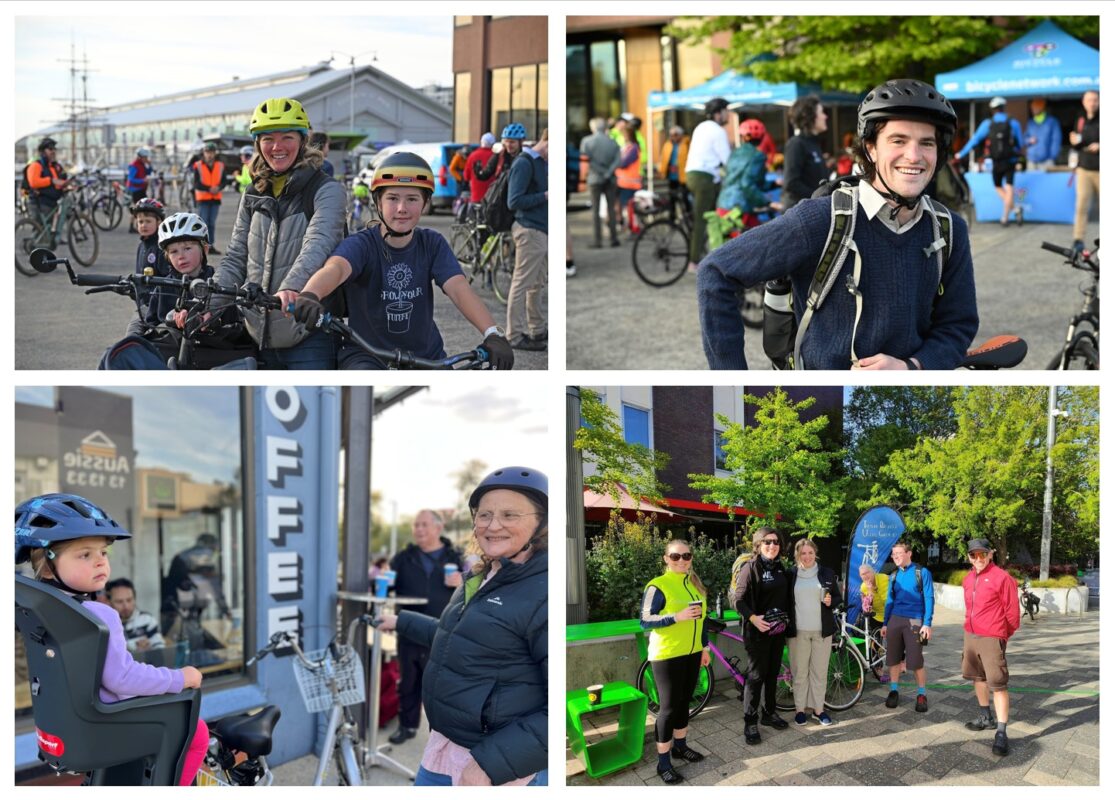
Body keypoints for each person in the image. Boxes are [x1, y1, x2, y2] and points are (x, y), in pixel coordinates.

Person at [699, 78, 978, 370]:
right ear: (871, 148)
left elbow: (957, 326)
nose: (914, 155)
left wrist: (912, 366)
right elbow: (716, 271)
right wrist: (735, 383)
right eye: (898, 140)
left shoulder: (948, 229)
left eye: (927, 143)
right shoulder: (820, 219)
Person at [15, 494, 207, 786]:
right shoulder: (99, 613)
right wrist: (179, 677)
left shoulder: (40, 610)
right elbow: (122, 678)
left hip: (68, 730)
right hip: (107, 725)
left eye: (103, 553)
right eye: (84, 554)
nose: (100, 562)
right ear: (46, 560)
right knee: (197, 732)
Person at [375, 467, 548, 786]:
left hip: (493, 769)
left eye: (509, 515)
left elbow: (557, 708)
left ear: (541, 523)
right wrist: (401, 621)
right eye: (484, 515)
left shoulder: (542, 591)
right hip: (445, 748)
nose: (493, 525)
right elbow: (457, 636)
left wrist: (491, 764)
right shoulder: (481, 577)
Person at [289, 151, 514, 370]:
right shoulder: (362, 244)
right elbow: (336, 268)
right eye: (393, 198)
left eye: (412, 199)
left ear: (426, 203)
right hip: (367, 355)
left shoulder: (432, 243)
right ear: (377, 201)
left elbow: (458, 289)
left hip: (426, 356)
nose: (402, 208)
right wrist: (311, 294)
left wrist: (493, 333)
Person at [216, 97, 345, 369]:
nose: (277, 147)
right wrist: (208, 303)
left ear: (302, 140)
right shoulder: (253, 193)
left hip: (308, 334)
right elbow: (236, 255)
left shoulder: (325, 190)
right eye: (267, 139)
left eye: (287, 137)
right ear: (257, 144)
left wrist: (291, 287)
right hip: (256, 334)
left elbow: (318, 245)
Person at [386, 510, 464, 745]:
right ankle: (407, 726)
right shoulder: (403, 558)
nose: (418, 529)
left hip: (443, 630)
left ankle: (440, 734)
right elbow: (387, 585)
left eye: (424, 525)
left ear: (439, 528)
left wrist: (463, 581)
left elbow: (478, 586)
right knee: (408, 682)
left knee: (441, 685)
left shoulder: (455, 557)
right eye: (416, 525)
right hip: (409, 629)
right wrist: (380, 583)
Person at [640, 539, 709, 784]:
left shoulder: (695, 585)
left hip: (692, 653)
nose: (682, 560)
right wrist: (676, 617)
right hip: (667, 655)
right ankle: (663, 762)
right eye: (676, 556)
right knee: (668, 709)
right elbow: (645, 620)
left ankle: (680, 746)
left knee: (683, 704)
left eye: (686, 556)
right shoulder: (657, 585)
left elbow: (702, 621)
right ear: (666, 559)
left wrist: (704, 648)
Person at [731, 526, 791, 746]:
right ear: (758, 545)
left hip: (777, 631)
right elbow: (738, 600)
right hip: (756, 632)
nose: (772, 546)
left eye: (775, 542)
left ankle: (769, 713)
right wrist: (754, 618)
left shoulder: (781, 568)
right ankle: (750, 721)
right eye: (767, 542)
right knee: (756, 677)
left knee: (772, 674)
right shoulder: (751, 567)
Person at [961, 538, 1019, 757]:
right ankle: (986, 717)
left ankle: (1002, 732)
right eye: (973, 555)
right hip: (971, 635)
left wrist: (1002, 636)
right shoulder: (967, 579)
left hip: (992, 636)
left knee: (998, 684)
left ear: (990, 554)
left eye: (982, 554)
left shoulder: (1003, 578)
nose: (978, 559)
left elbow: (1012, 615)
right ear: (969, 557)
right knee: (978, 678)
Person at [787, 538, 840, 726]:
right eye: (803, 553)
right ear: (797, 555)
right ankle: (800, 709)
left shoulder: (826, 572)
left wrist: (830, 602)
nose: (807, 556)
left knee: (819, 672)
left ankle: (818, 710)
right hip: (798, 632)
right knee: (800, 672)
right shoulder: (790, 575)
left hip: (822, 632)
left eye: (810, 552)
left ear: (815, 553)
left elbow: (837, 597)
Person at [506, 130, 548, 352]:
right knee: (522, 283)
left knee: (536, 283)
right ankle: (513, 335)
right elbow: (513, 201)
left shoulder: (539, 162)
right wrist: (545, 196)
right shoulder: (525, 163)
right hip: (529, 229)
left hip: (539, 230)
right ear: (547, 143)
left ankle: (537, 329)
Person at [881, 540, 934, 712]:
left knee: (916, 660)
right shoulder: (894, 575)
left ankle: (921, 694)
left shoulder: (922, 572)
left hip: (915, 621)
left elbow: (929, 598)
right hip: (895, 619)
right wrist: (885, 623)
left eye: (898, 554)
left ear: (909, 553)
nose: (895, 557)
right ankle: (894, 691)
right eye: (893, 554)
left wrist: (927, 624)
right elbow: (889, 600)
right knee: (893, 658)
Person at [955, 97, 1024, 226]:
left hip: (996, 161)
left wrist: (961, 154)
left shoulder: (988, 123)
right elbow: (1020, 143)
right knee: (1009, 187)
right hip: (1011, 160)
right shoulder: (1013, 123)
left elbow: (974, 141)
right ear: (1004, 107)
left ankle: (1006, 217)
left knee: (998, 186)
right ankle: (1013, 210)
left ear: (992, 110)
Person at [684, 97, 732, 272]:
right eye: (726, 111)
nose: (728, 114)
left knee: (711, 216)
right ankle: (694, 261)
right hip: (705, 177)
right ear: (718, 113)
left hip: (691, 174)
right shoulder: (718, 131)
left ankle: (714, 252)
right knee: (704, 219)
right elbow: (727, 160)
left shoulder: (701, 127)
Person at [717, 119, 782, 231]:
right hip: (740, 209)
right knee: (761, 240)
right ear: (761, 138)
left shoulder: (735, 153)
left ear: (742, 137)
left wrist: (774, 184)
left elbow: (734, 178)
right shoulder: (758, 156)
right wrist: (768, 202)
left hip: (723, 205)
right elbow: (747, 184)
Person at [782, 95, 830, 210]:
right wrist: (820, 196)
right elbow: (791, 183)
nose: (825, 116)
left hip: (814, 209)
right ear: (810, 116)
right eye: (821, 112)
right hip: (799, 214)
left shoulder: (814, 144)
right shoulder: (796, 144)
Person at [126, 197, 171, 322]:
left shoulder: (161, 247)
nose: (143, 225)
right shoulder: (142, 245)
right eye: (140, 222)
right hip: (143, 305)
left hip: (158, 308)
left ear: (159, 222)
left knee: (134, 334)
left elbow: (168, 280)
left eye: (148, 221)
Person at [579, 117, 621, 248]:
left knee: (595, 211)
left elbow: (586, 161)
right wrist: (608, 172)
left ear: (594, 128)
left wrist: (583, 179)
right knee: (611, 210)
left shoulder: (586, 142)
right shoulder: (613, 142)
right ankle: (614, 239)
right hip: (610, 179)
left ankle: (598, 240)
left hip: (595, 179)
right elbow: (618, 160)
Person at [1069, 90, 1099, 253]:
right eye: (1089, 100)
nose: (1092, 103)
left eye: (1095, 100)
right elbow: (1077, 144)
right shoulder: (1080, 119)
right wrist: (1073, 140)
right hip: (1084, 168)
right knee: (1081, 205)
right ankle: (1078, 239)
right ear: (1083, 102)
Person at [25, 137, 71, 239]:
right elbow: (33, 182)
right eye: (50, 149)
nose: (53, 151)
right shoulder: (36, 165)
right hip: (40, 203)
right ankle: (34, 250)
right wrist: (50, 180)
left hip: (51, 203)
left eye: (54, 149)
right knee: (41, 234)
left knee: (45, 233)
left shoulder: (54, 166)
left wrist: (66, 184)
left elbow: (59, 181)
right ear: (43, 151)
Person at [105, 577, 166, 653]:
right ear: (108, 602)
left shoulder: (147, 620)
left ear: (135, 599)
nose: (126, 606)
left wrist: (149, 651)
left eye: (129, 600)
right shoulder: (105, 626)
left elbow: (161, 650)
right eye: (119, 602)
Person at [191, 142, 224, 253]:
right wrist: (209, 188)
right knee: (203, 224)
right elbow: (196, 183)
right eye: (207, 152)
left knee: (211, 224)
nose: (209, 155)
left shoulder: (220, 165)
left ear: (215, 153)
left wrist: (218, 188)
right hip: (203, 199)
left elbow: (224, 181)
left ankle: (210, 246)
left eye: (211, 152)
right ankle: (201, 245)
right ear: (204, 153)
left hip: (215, 199)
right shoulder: (198, 165)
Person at [615, 126, 642, 233]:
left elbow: (623, 163)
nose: (623, 137)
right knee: (625, 207)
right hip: (623, 182)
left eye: (625, 135)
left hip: (629, 184)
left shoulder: (633, 148)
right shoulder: (627, 147)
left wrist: (615, 162)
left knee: (629, 208)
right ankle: (628, 226)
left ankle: (633, 228)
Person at [1023, 98, 1062, 171]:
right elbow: (1024, 139)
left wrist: (1051, 157)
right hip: (1032, 161)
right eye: (1032, 107)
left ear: (1042, 107)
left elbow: (1056, 140)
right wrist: (1029, 140)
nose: (1033, 109)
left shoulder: (1052, 122)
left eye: (1036, 107)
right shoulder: (1031, 123)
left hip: (1047, 161)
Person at [464, 132, 498, 204]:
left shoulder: (472, 155)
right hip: (492, 196)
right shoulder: (496, 156)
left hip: (476, 196)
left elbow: (466, 176)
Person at [858, 563, 889, 637]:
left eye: (867, 572)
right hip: (877, 617)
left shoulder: (884, 578)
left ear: (873, 572)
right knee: (875, 643)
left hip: (891, 615)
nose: (865, 576)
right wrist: (870, 592)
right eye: (862, 574)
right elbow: (867, 609)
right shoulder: (863, 587)